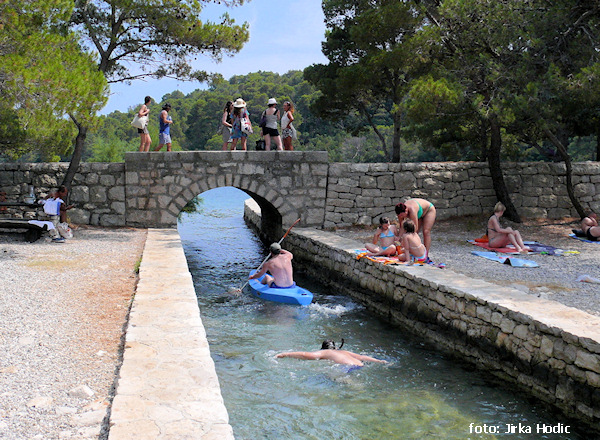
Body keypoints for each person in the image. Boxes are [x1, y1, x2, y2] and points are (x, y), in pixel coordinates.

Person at [275, 339, 387, 366]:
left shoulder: (325, 353)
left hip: (347, 367)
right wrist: (379, 361)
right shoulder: (343, 351)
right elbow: (362, 357)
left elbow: (306, 355)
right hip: (360, 365)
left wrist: (285, 354)